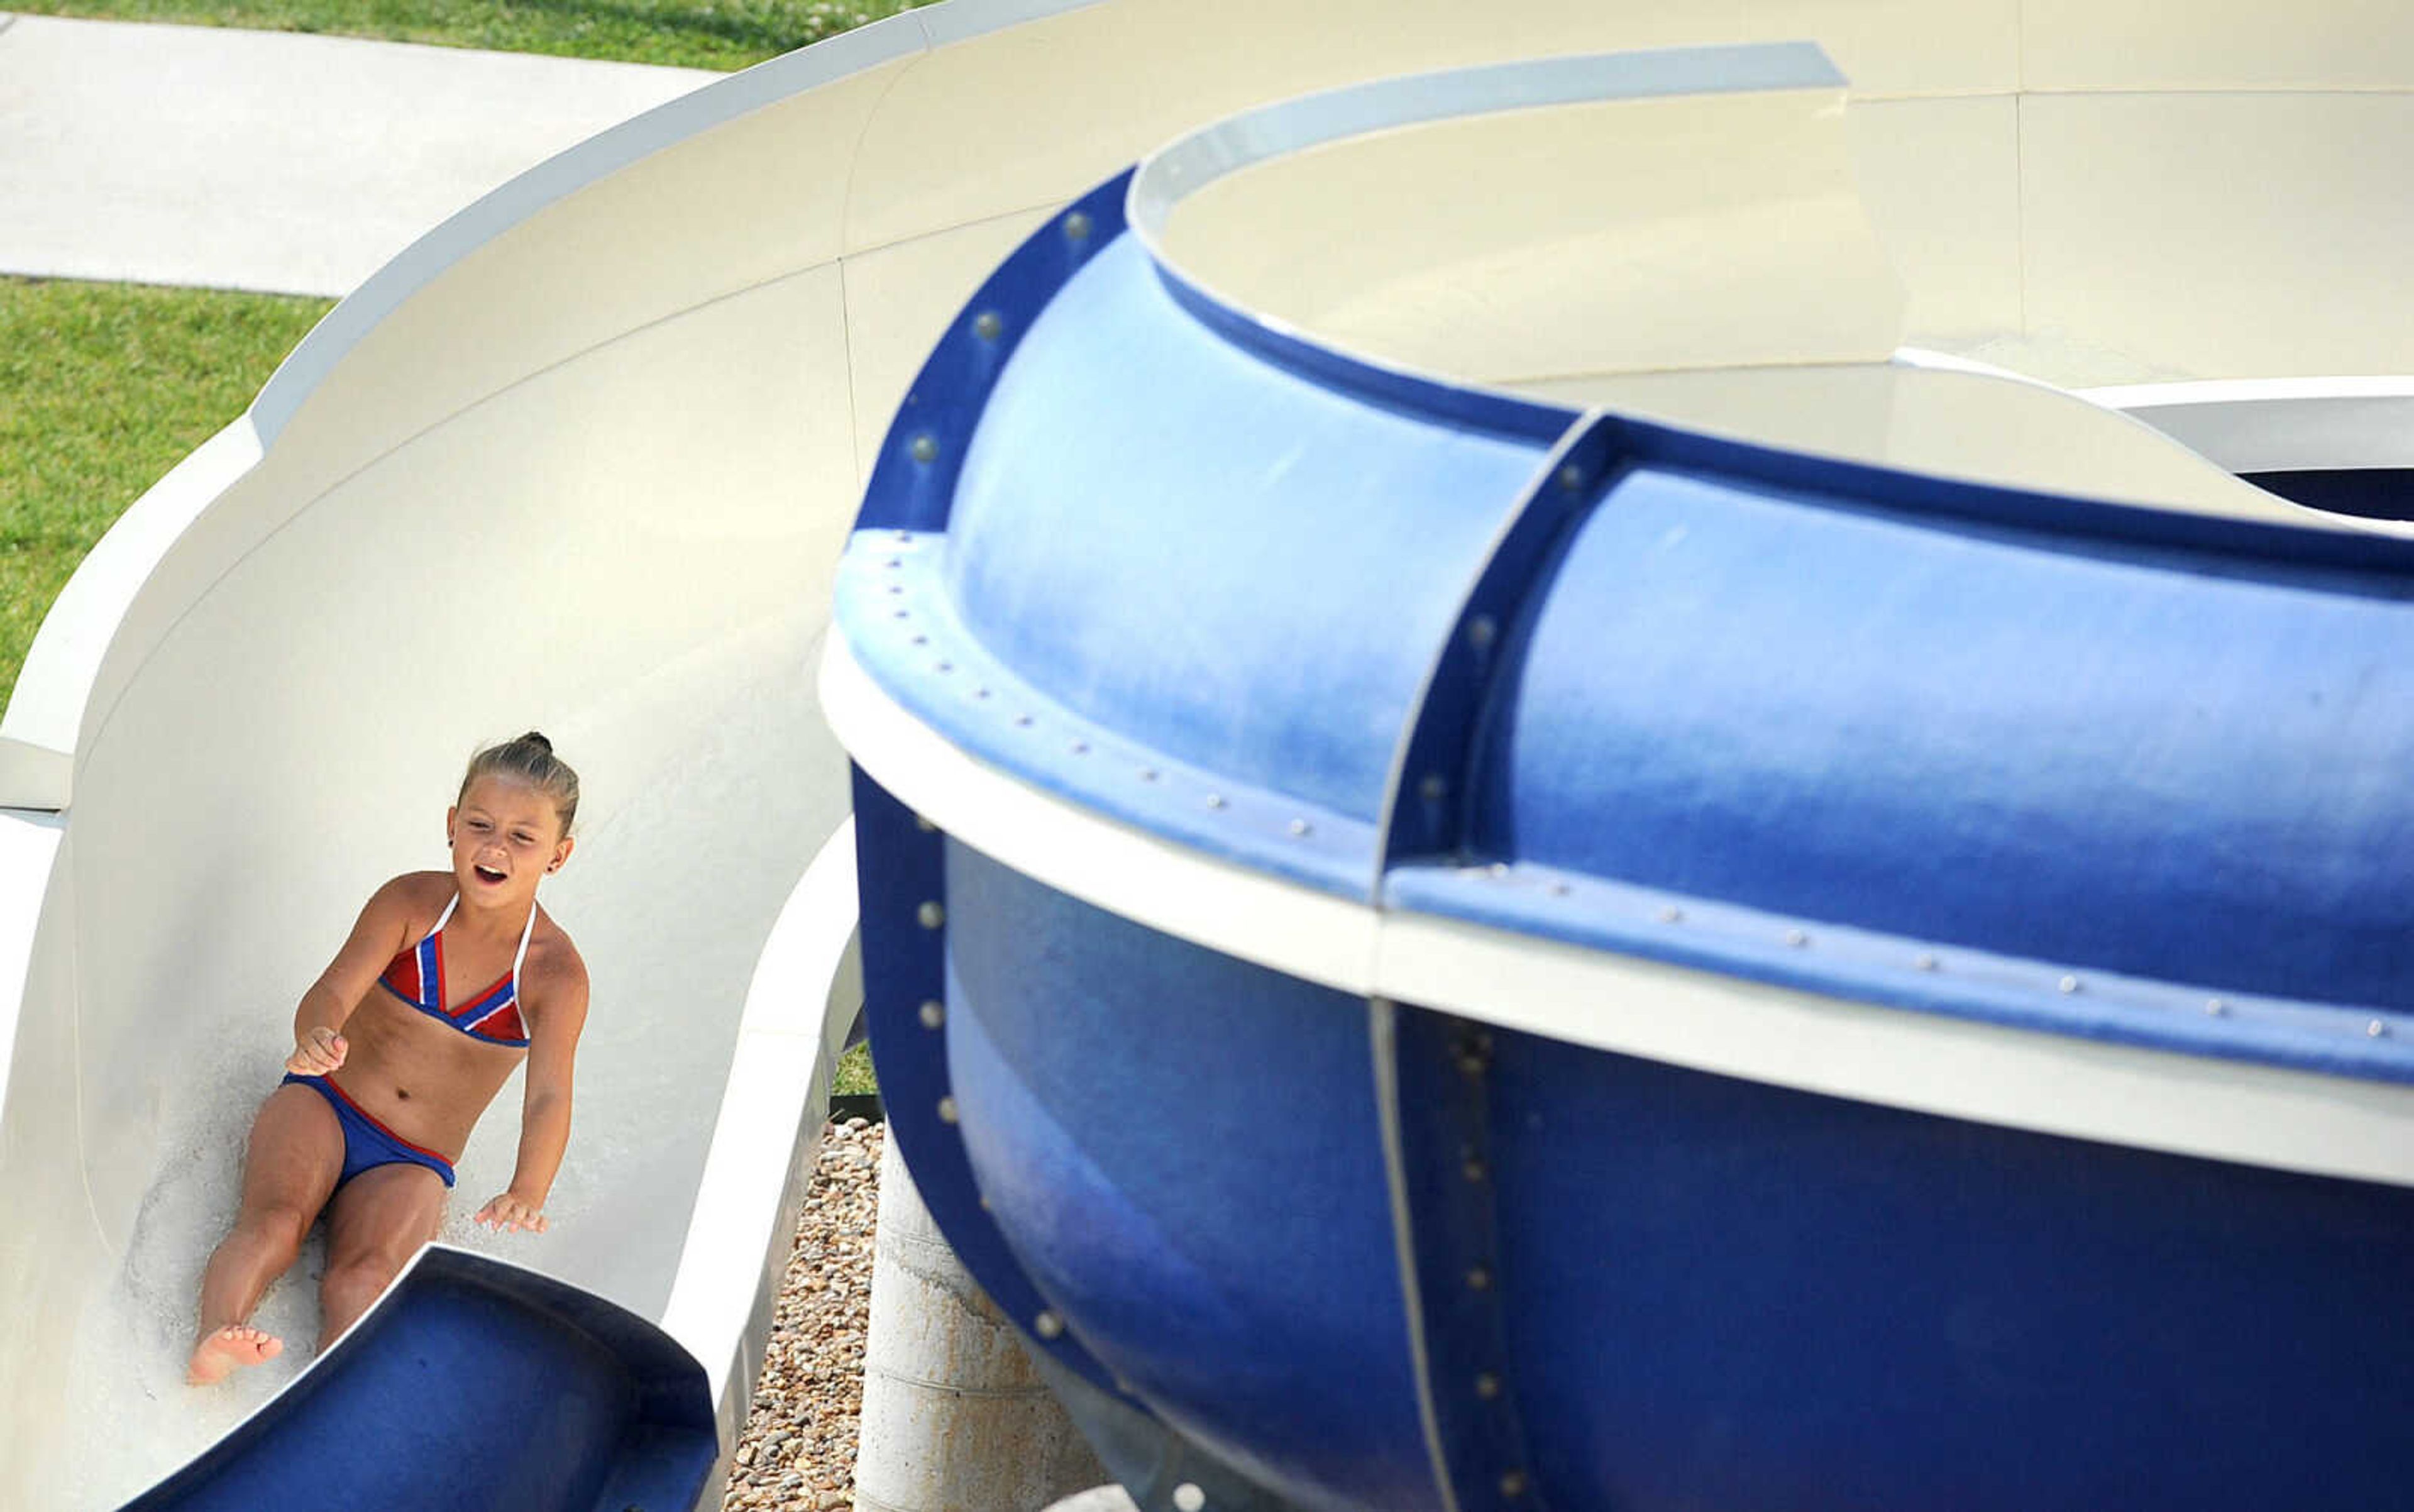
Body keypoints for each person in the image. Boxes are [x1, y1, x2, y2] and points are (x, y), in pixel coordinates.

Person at [185, 732, 591, 1386]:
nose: (495, 847)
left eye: (523, 836)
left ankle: (332, 1402)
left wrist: (527, 1189)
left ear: (558, 855)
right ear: (452, 824)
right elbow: (333, 989)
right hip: (325, 1103)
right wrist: (317, 1031)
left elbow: (549, 1095)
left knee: (365, 1276)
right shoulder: (411, 903)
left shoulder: (554, 974)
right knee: (274, 1224)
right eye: (481, 825)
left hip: (412, 1159)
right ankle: (213, 1339)